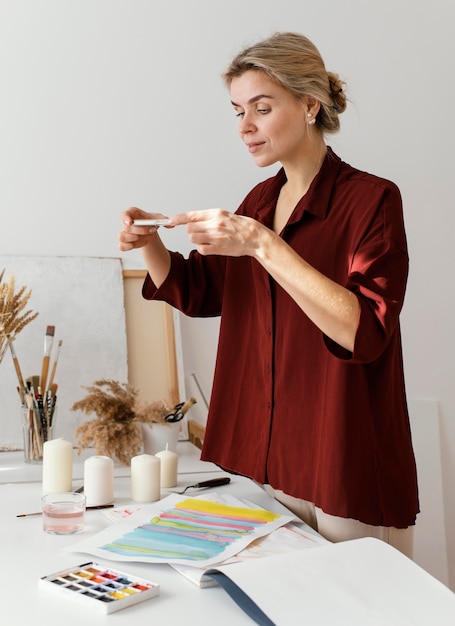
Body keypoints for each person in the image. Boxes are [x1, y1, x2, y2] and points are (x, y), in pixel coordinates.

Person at [119, 31, 419, 557]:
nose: (246, 128)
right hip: (268, 471)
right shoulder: (261, 199)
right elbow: (206, 291)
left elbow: (363, 329)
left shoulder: (373, 200)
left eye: (261, 107)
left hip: (342, 472)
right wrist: (151, 244)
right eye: (237, 111)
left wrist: (260, 242)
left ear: (309, 104)